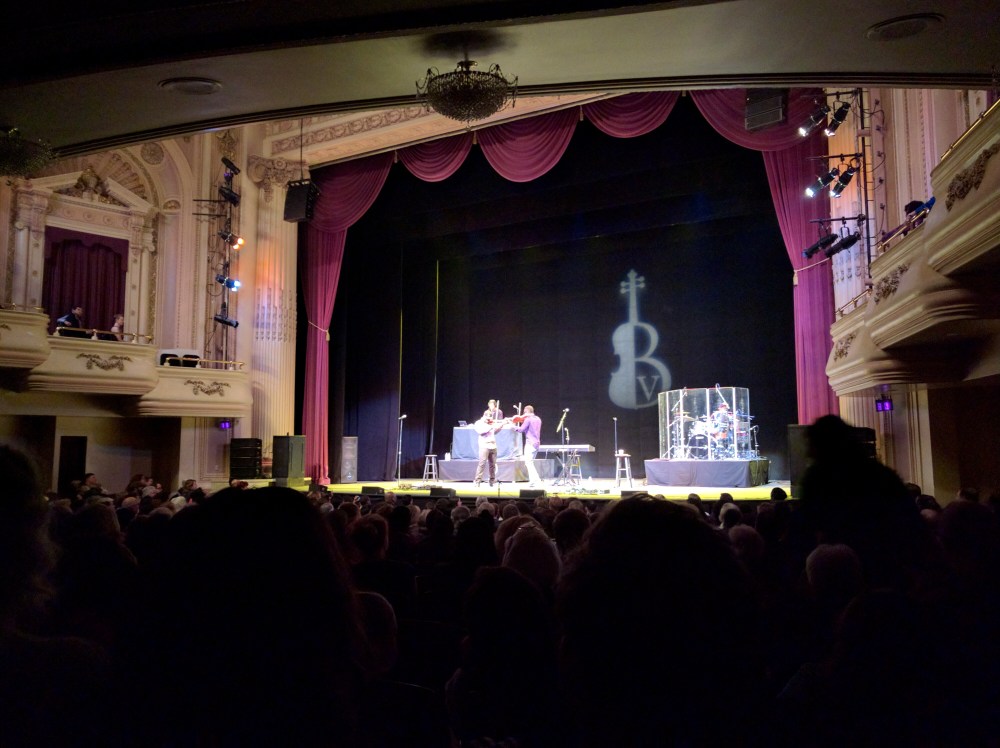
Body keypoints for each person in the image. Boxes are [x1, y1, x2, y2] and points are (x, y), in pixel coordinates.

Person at [514, 405, 542, 486]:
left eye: (524, 412)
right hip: (537, 443)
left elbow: (521, 429)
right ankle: (537, 479)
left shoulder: (528, 419)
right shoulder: (538, 419)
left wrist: (513, 427)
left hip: (530, 443)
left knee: (528, 463)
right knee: (530, 462)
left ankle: (533, 481)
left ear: (526, 411)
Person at [473, 414, 504, 487]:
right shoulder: (479, 423)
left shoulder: (490, 424)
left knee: (493, 465)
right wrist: (491, 426)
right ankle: (477, 481)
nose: (489, 419)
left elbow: (494, 432)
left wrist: (501, 425)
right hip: (484, 446)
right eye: (488, 417)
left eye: (490, 417)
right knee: (482, 464)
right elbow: (482, 432)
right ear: (484, 416)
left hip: (493, 446)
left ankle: (492, 481)